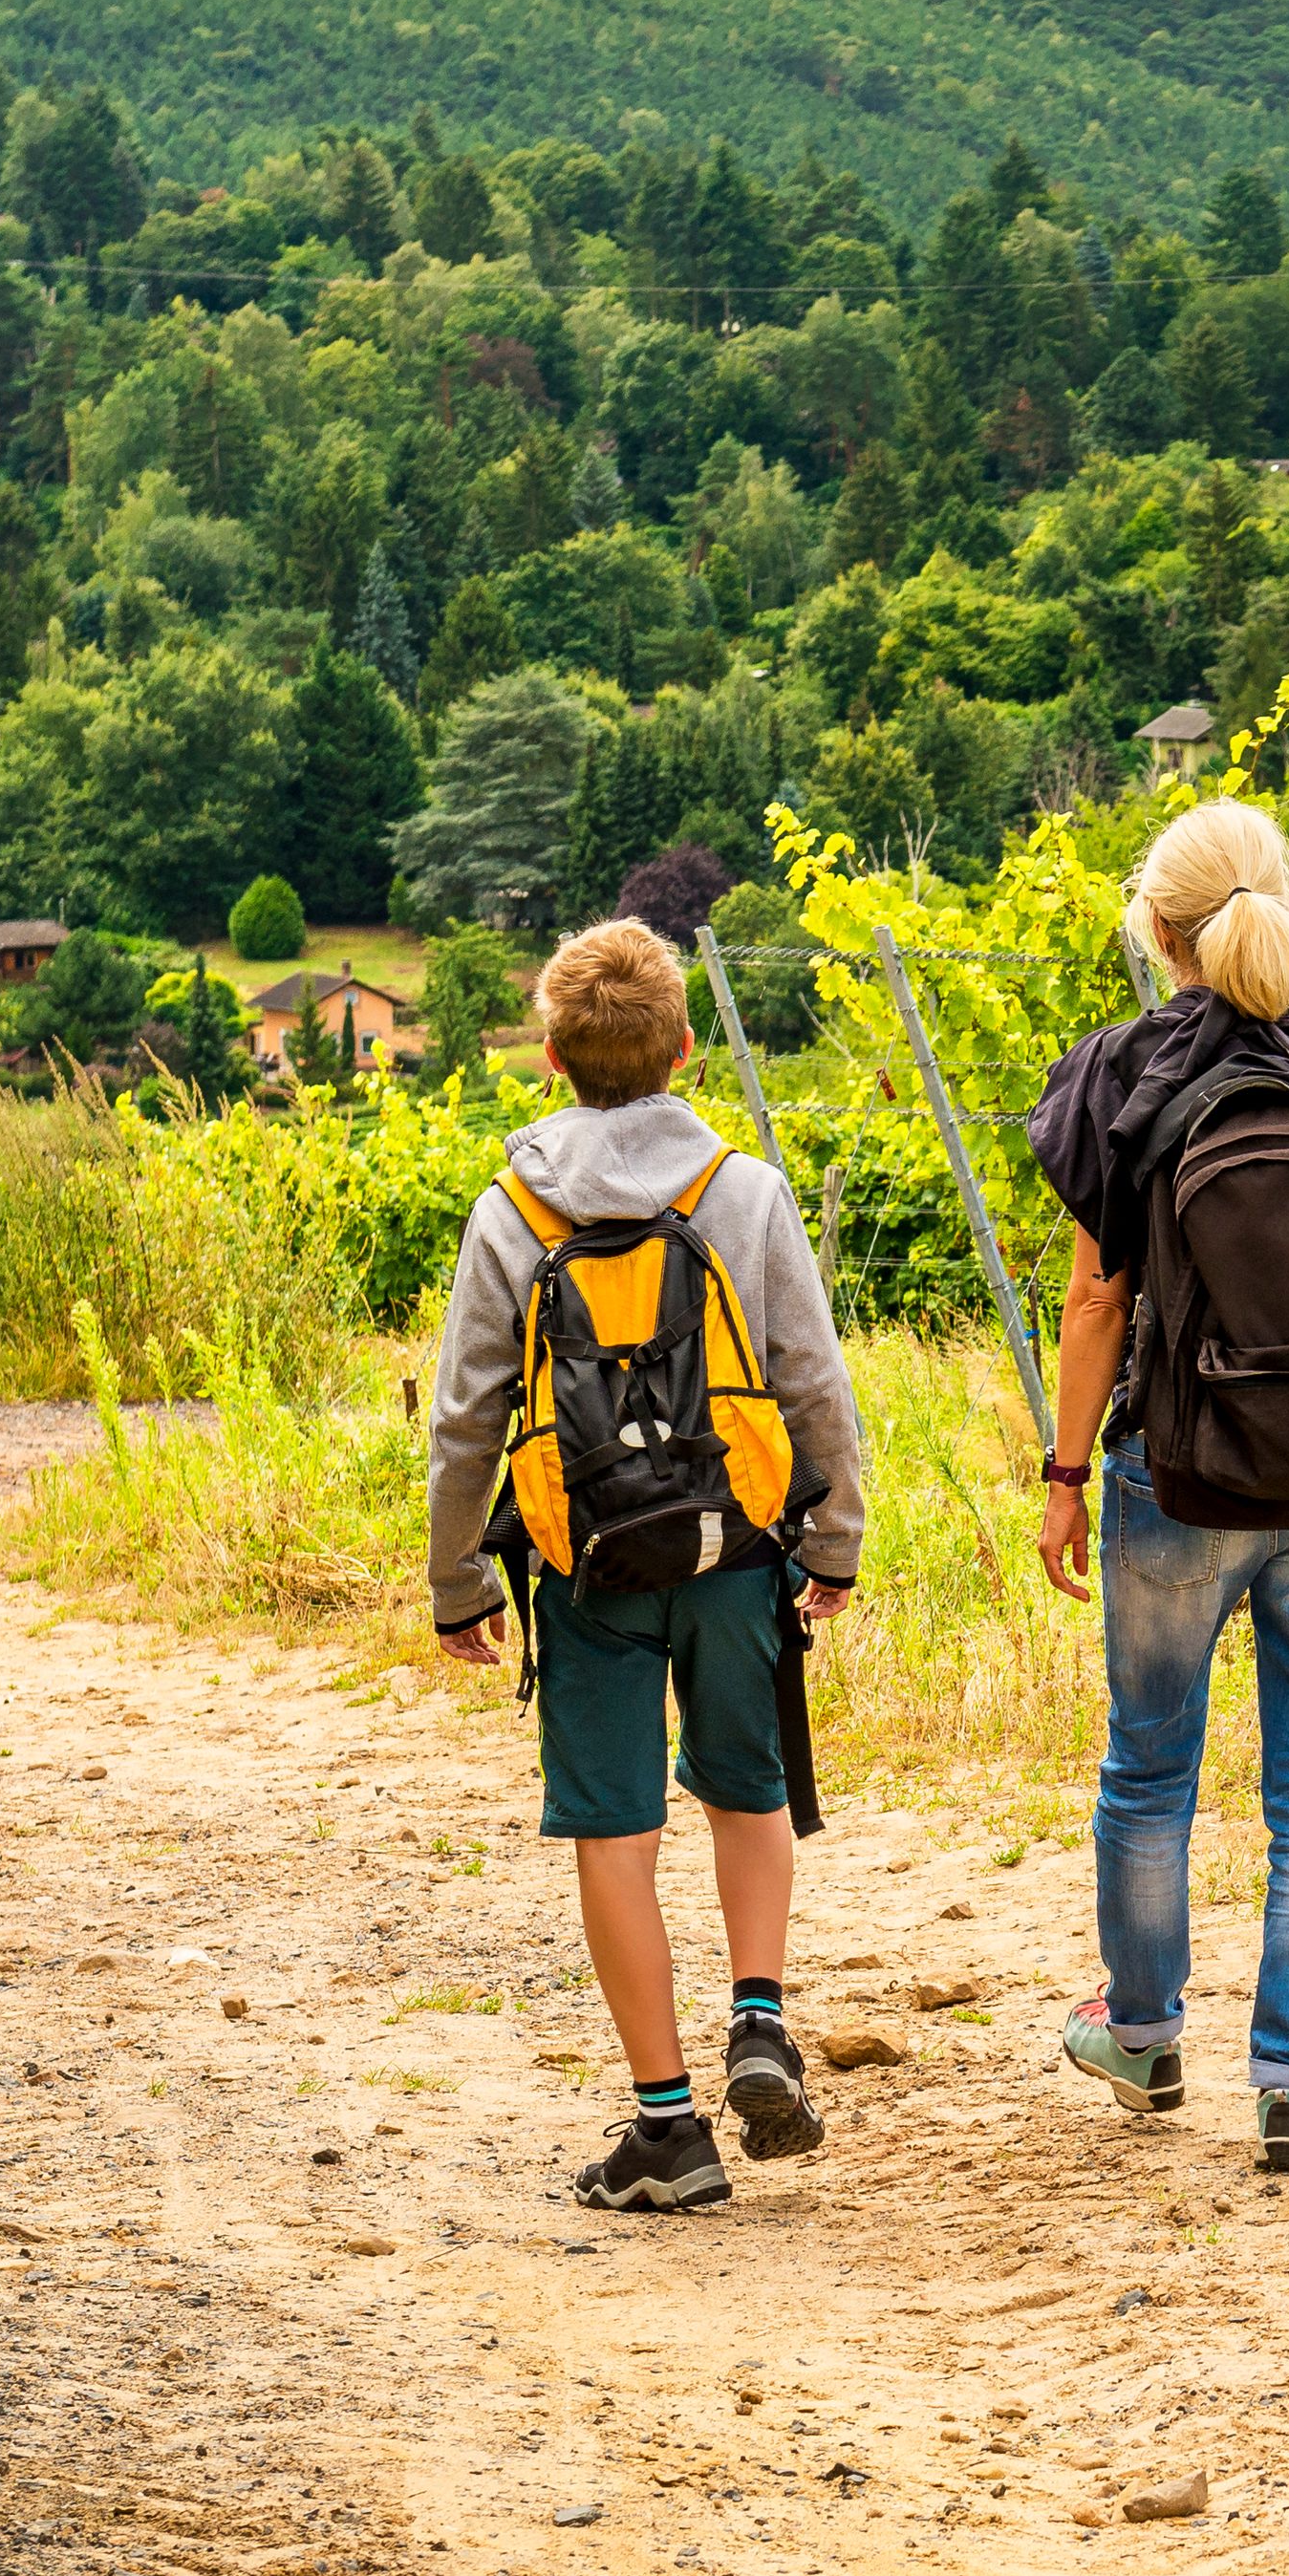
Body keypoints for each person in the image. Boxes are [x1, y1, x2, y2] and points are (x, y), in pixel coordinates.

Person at [421, 917, 873, 2214]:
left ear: (553, 1058)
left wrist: (459, 1579)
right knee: (748, 1786)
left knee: (613, 1829)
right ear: (682, 1046)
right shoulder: (742, 1190)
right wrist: (830, 1543)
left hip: (586, 1568)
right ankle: (761, 2020)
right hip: (737, 1548)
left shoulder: (511, 1209)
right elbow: (810, 1382)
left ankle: (667, 2131)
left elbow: (464, 1417)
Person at [1023, 799, 1289, 2177]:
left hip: (1178, 1474)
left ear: (1157, 925)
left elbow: (1094, 1300)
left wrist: (1067, 1472)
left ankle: (1140, 2036)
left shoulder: (1117, 1073)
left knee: (1150, 1768)